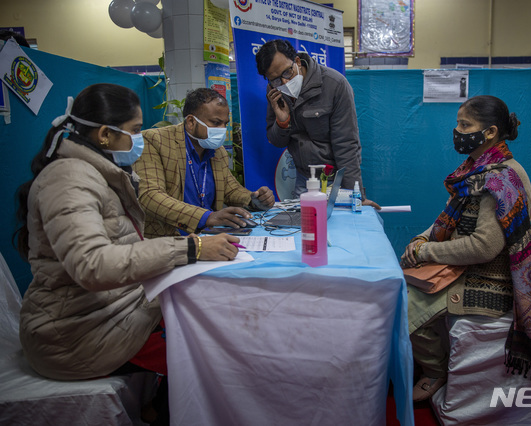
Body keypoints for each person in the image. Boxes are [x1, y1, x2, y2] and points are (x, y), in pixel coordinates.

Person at [15, 83, 240, 423]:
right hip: (71, 338)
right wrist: (190, 247)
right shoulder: (69, 180)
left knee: (205, 315)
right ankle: (163, 413)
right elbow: (92, 265)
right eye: (135, 131)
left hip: (104, 314)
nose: (141, 139)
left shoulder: (101, 173)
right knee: (207, 347)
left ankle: (158, 409)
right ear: (105, 134)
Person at [400, 95, 531, 401]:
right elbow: (448, 215)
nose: (457, 130)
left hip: (489, 280)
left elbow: (484, 247)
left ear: (490, 132)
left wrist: (426, 253)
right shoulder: (478, 168)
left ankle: (435, 371)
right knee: (398, 281)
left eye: (465, 125)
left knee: (403, 306)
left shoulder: (502, 179)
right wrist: (423, 239)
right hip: (461, 267)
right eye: (458, 123)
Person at [133, 88, 275, 238]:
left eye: (225, 124)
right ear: (191, 122)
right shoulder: (153, 141)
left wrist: (254, 199)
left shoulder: (217, 150)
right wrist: (205, 217)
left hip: (209, 236)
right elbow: (150, 196)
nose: (222, 130)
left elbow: (230, 189)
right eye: (216, 123)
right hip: (169, 239)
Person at [256, 39, 379, 208]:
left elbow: (346, 144)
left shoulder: (334, 84)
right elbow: (277, 141)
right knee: (304, 230)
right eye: (275, 80)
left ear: (297, 62)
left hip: (336, 182)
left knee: (339, 230)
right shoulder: (275, 91)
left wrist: (355, 196)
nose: (284, 83)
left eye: (287, 73)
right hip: (304, 179)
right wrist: (282, 121)